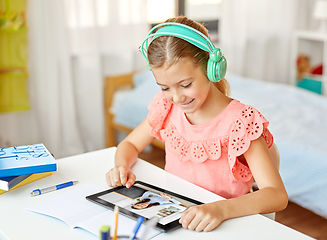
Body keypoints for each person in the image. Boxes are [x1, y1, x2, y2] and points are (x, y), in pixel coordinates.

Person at [106, 16, 288, 232]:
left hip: (225, 224)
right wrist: (121, 165)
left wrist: (220, 210)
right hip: (177, 219)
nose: (176, 97)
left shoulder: (240, 122)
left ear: (212, 69)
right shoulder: (166, 108)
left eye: (185, 84)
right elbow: (130, 145)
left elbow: (276, 195)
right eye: (165, 87)